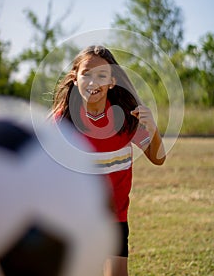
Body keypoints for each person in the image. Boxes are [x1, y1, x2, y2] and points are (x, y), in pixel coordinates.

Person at [53, 45, 166, 276]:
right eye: (86, 74)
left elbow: (158, 158)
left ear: (112, 82)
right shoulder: (62, 122)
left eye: (101, 75)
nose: (93, 81)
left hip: (115, 218)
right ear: (75, 78)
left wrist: (152, 129)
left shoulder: (125, 119)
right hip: (77, 216)